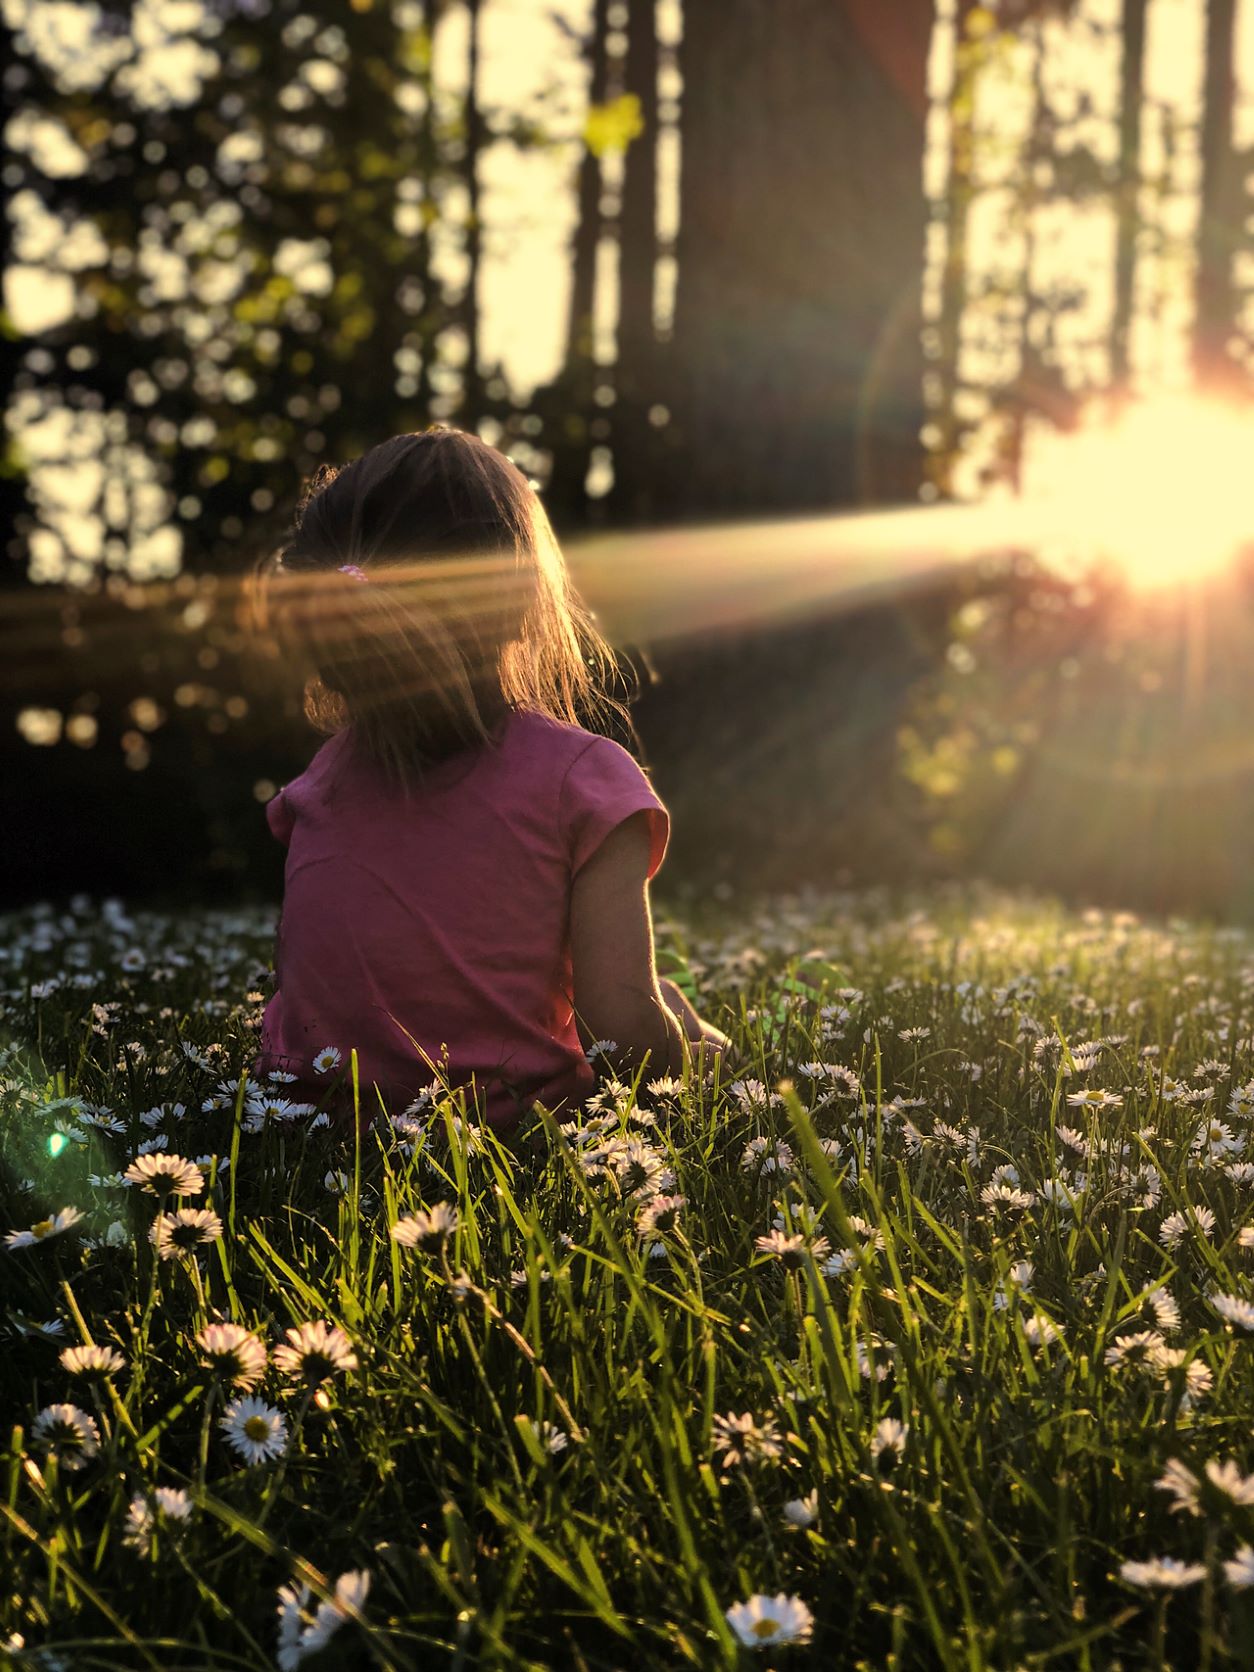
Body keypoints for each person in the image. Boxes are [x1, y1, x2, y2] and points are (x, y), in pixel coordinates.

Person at [249, 425, 731, 1135]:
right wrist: (703, 1062)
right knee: (671, 1014)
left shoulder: (320, 785)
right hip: (509, 1137)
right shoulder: (583, 782)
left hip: (313, 1128)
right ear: (515, 601)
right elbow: (622, 1037)